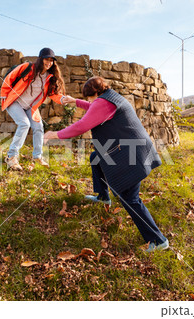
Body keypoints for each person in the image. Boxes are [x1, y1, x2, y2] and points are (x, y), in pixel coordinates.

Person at [44, 76, 169, 252]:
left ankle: (158, 240)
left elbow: (82, 125)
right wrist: (76, 101)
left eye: (88, 97)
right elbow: (93, 108)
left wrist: (55, 135)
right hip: (135, 149)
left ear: (94, 93)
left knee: (130, 198)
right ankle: (103, 196)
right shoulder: (111, 97)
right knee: (96, 157)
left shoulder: (103, 103)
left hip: (132, 155)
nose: (89, 101)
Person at [0, 47, 68, 170]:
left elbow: (53, 94)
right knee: (24, 124)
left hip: (30, 107)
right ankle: (11, 157)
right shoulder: (28, 67)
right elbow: (9, 78)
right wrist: (4, 95)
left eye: (51, 60)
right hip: (15, 102)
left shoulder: (49, 77)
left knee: (38, 127)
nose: (49, 62)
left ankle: (37, 157)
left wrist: (63, 99)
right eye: (46, 59)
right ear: (40, 59)